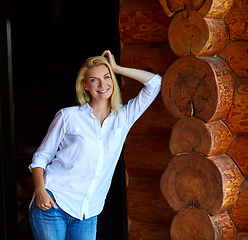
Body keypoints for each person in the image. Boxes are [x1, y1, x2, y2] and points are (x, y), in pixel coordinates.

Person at [28, 50, 162, 240]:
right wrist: (40, 190)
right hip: (53, 202)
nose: (102, 84)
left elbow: (155, 83)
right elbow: (41, 157)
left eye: (107, 77)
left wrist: (117, 68)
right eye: (94, 80)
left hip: (87, 212)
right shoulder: (68, 116)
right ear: (85, 86)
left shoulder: (123, 117)